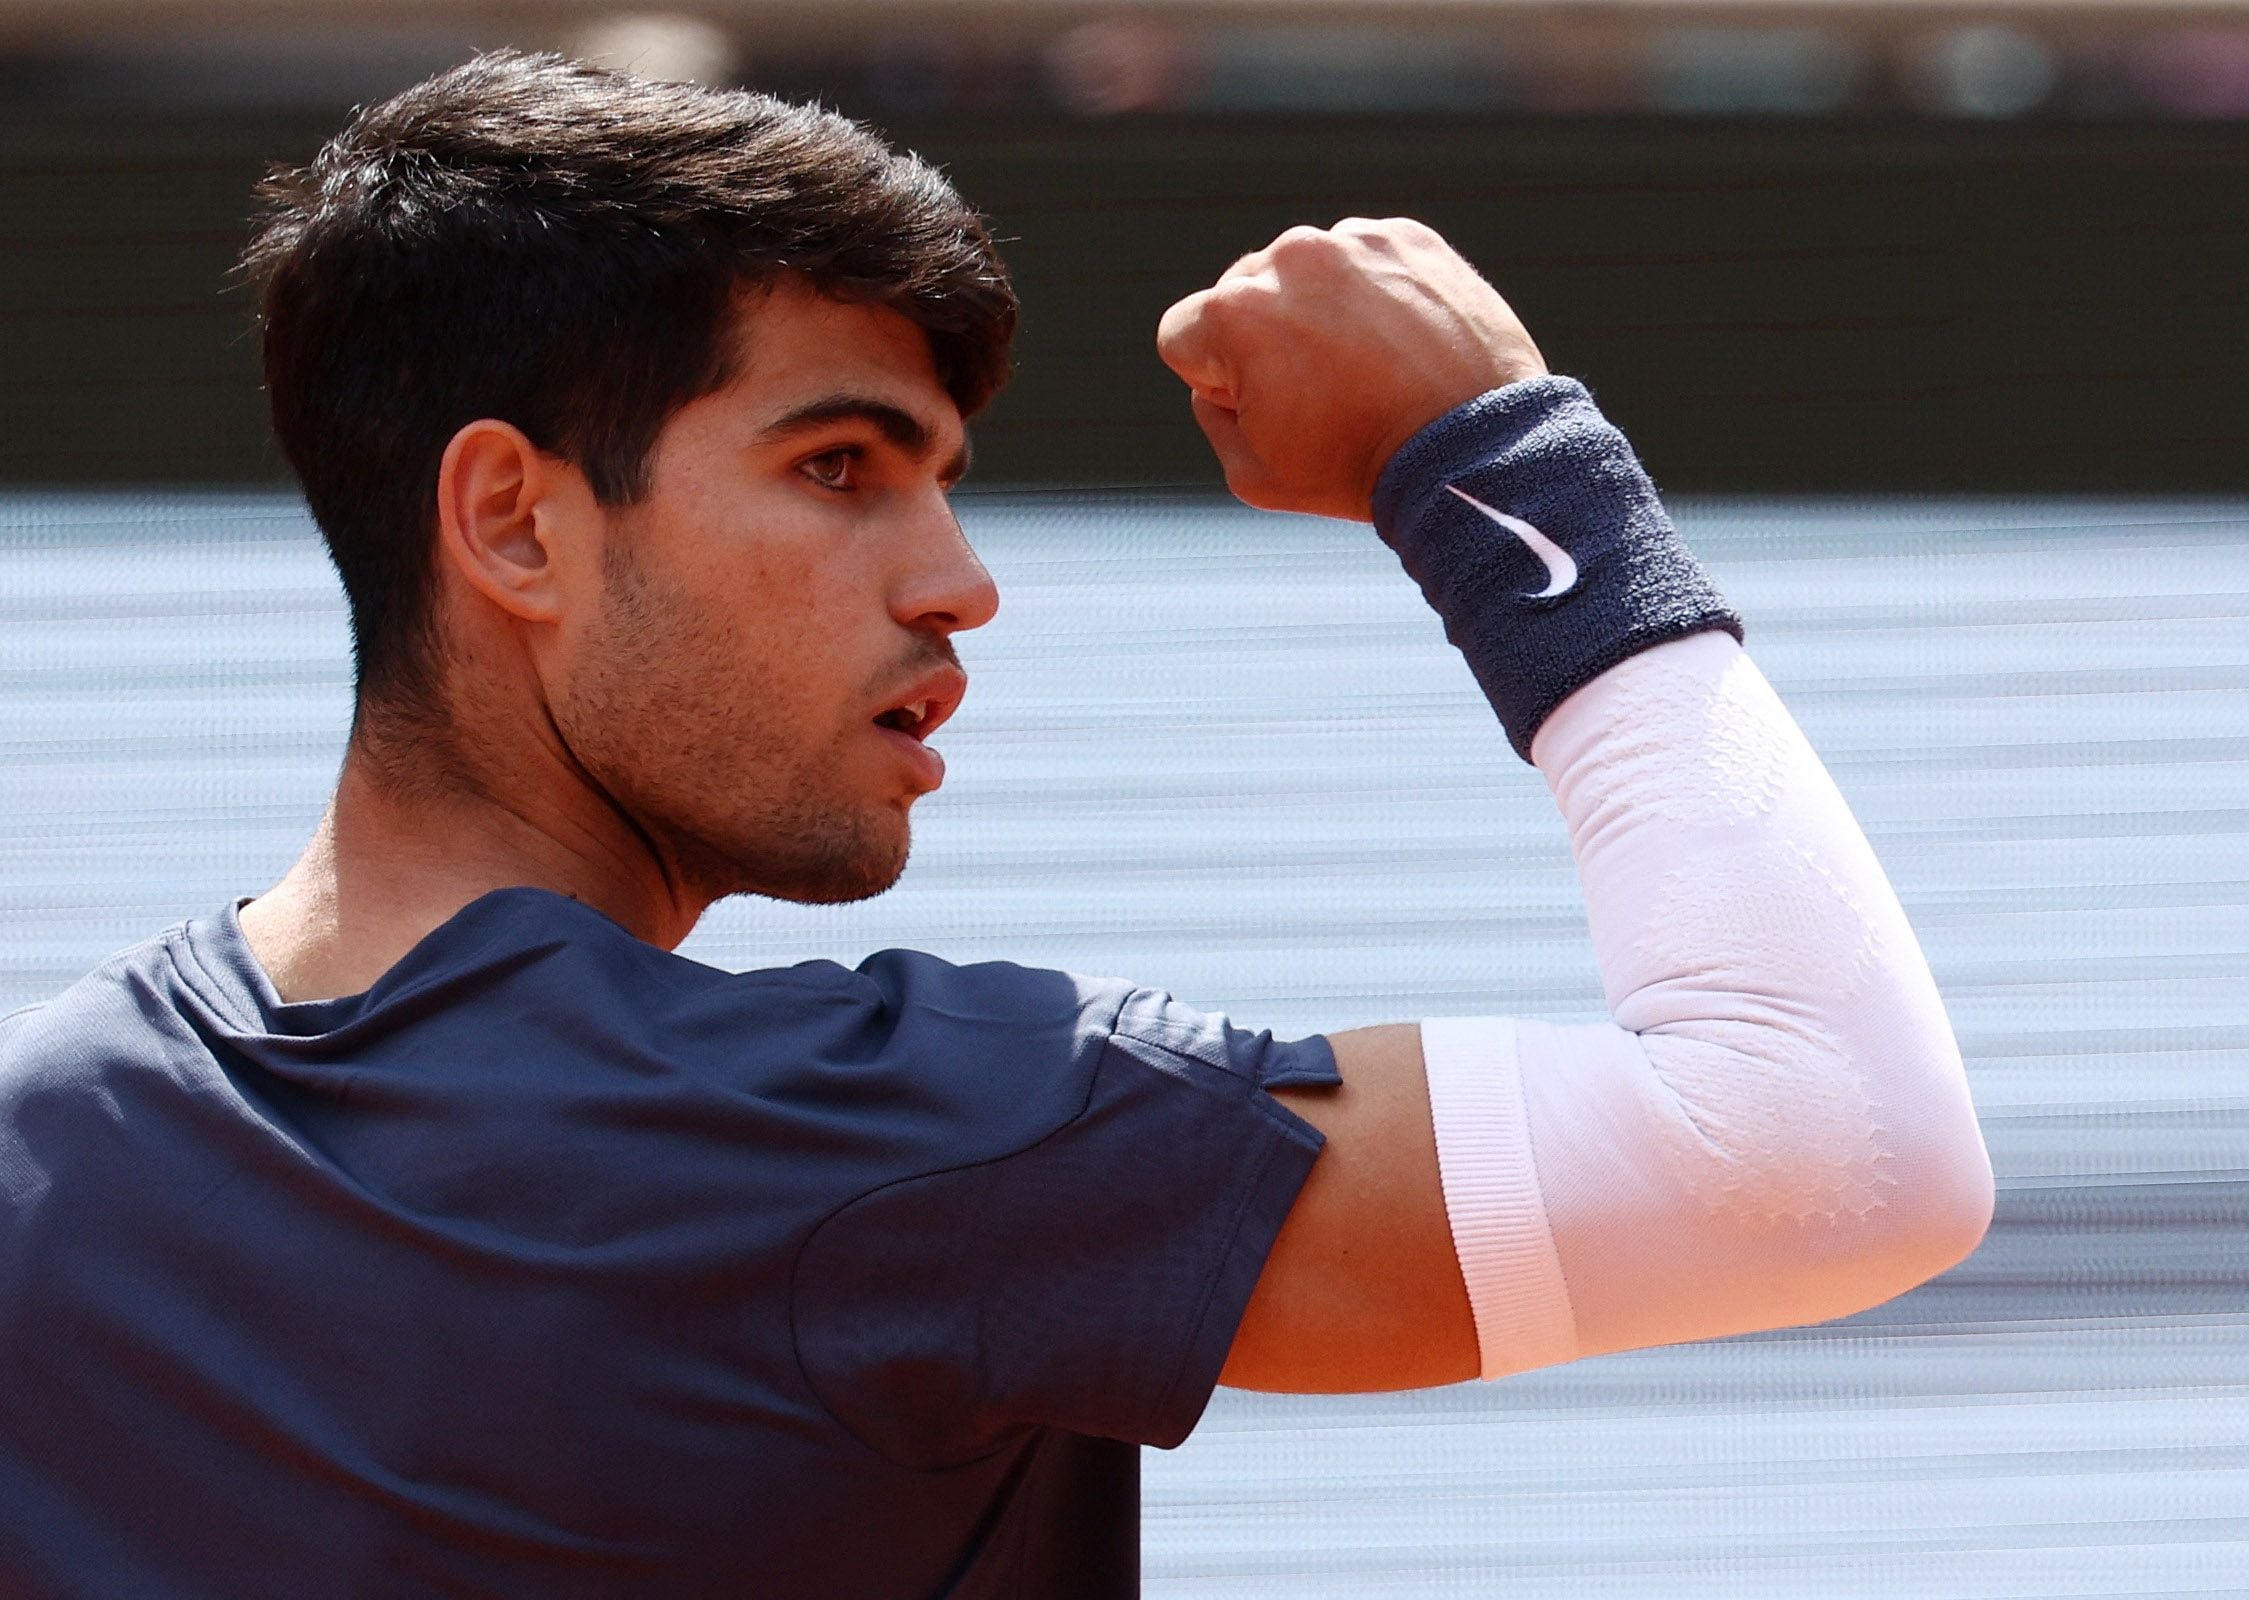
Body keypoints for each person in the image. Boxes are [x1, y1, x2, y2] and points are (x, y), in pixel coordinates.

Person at [0, 50, 1994, 1599]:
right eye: (841, 464)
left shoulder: (36, 1135)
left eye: (941, 477)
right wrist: (1498, 466)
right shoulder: (872, 1139)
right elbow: (1831, 1146)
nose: (957, 576)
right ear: (515, 516)